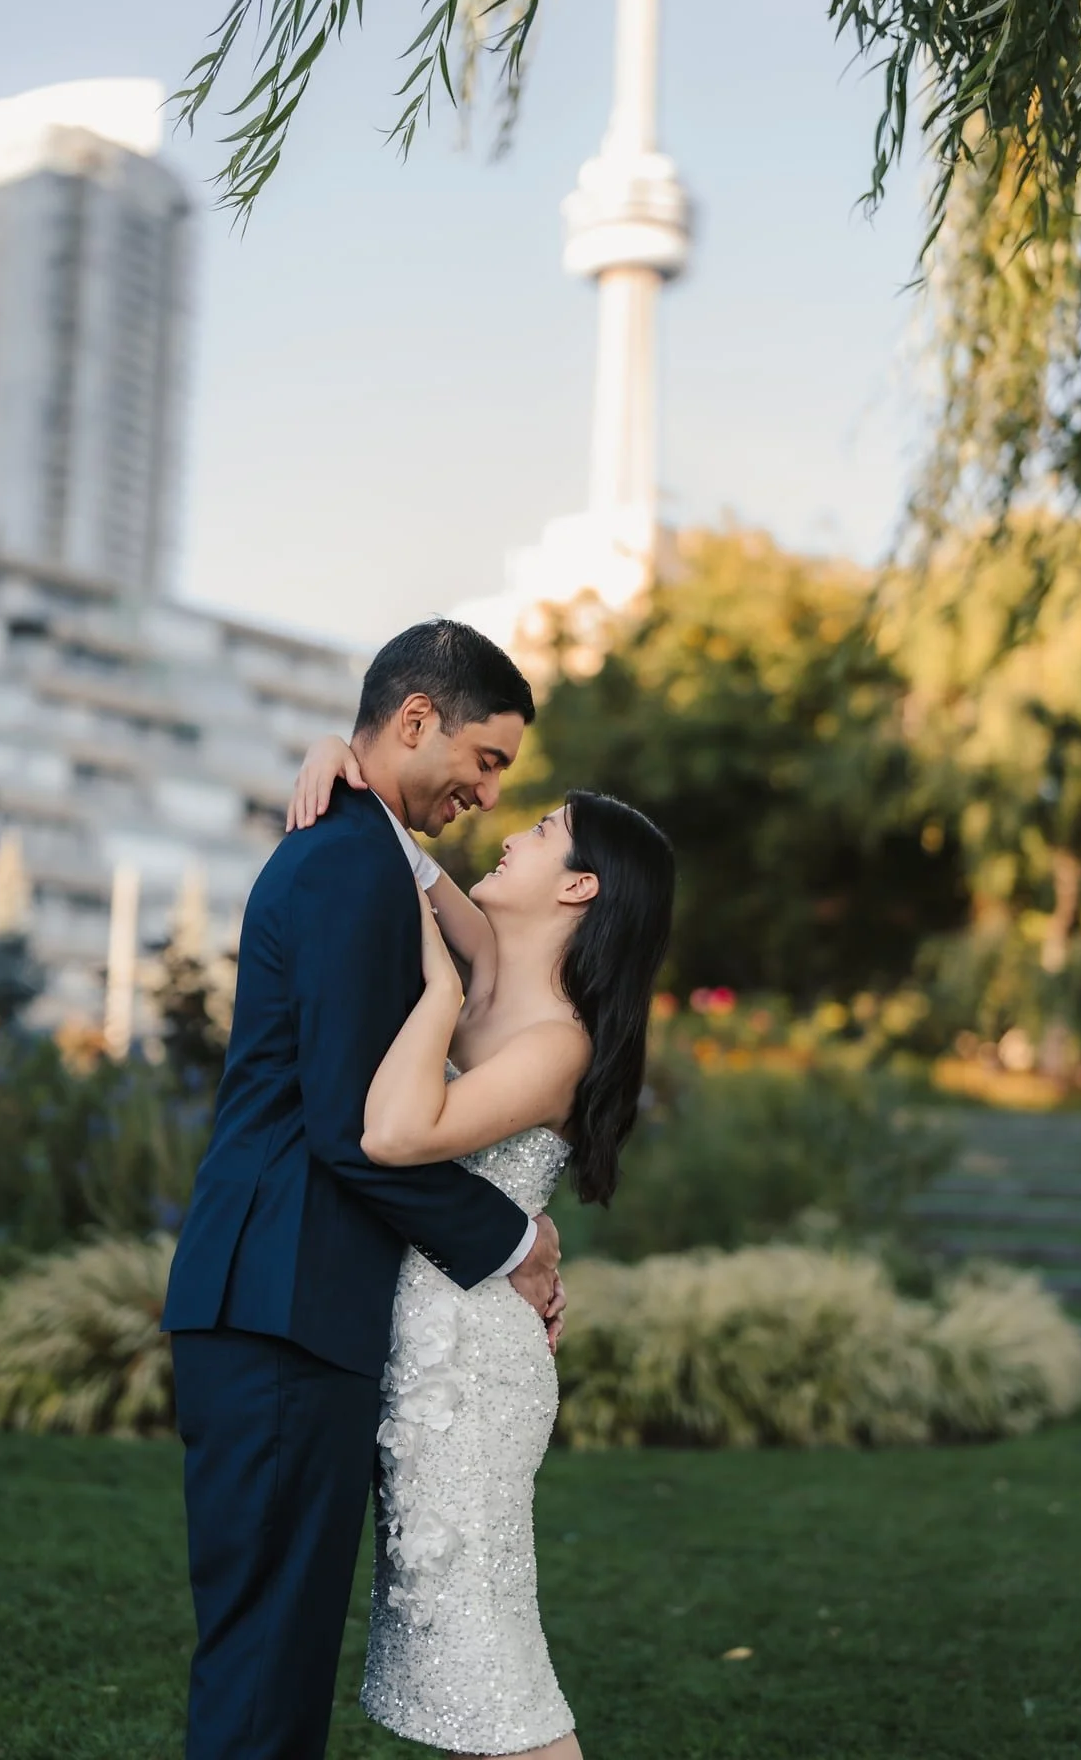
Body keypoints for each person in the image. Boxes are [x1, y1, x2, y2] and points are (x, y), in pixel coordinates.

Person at [163, 619, 564, 1760]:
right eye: (485, 760)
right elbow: (353, 1132)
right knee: (263, 1674)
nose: (488, 791)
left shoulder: (365, 853)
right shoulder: (347, 864)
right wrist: (511, 1241)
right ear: (414, 721)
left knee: (270, 1662)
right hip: (281, 1306)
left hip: (285, 1301)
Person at [287, 728, 675, 1758]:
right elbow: (400, 855)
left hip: (473, 1375)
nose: (512, 832)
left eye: (544, 830)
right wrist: (338, 751)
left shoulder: (551, 1039)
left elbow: (396, 1134)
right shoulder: (494, 957)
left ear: (581, 888)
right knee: (450, 1654)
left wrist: (441, 998)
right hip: (429, 1346)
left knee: (486, 1657)